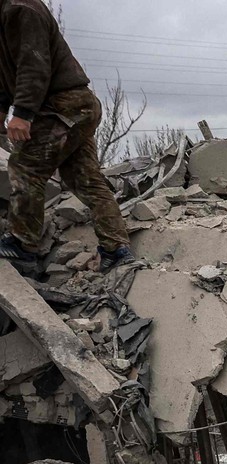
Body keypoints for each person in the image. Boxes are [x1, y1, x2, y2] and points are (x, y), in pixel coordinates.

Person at [0, 0, 131, 272]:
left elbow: (33, 63)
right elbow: (6, 77)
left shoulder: (20, 8)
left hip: (63, 105)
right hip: (77, 106)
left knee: (25, 168)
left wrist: (22, 113)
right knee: (85, 179)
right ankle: (116, 248)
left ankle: (23, 246)